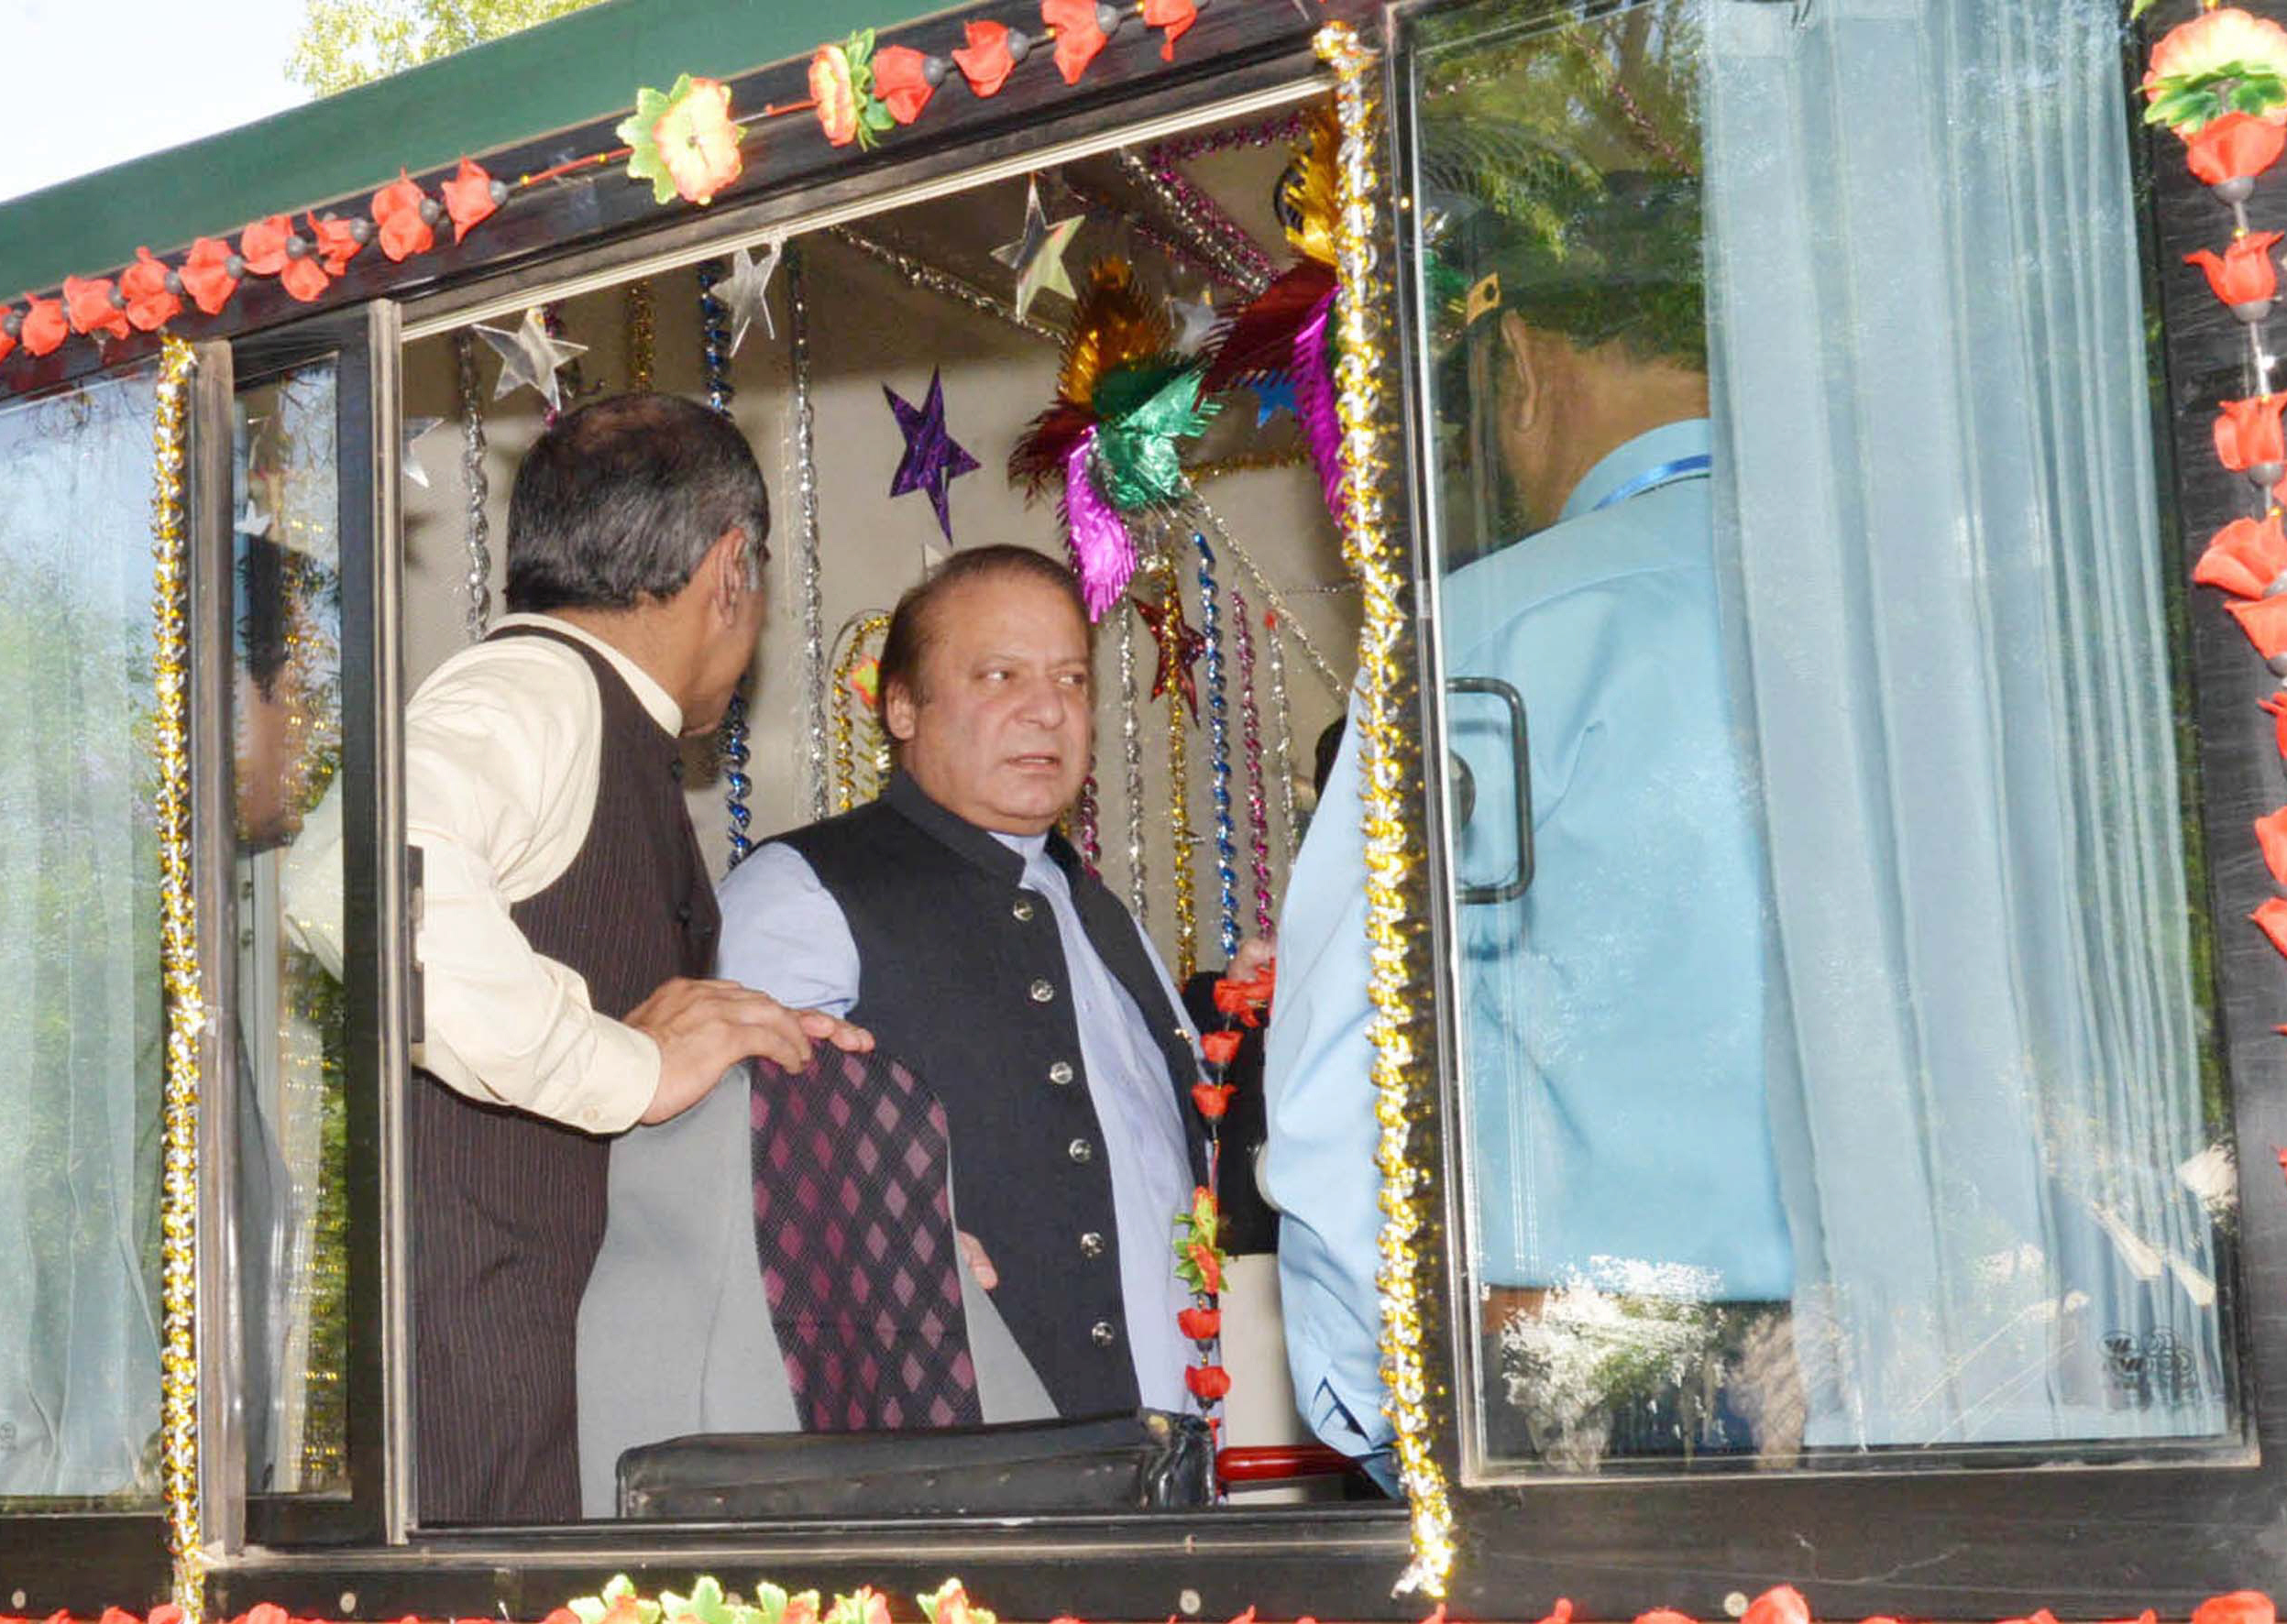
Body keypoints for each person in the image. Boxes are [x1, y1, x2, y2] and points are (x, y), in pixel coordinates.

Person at [1268, 146, 1801, 1478]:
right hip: (1928, 1379)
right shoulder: (1905, 600)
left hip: (1597, 1398)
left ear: (1518, 368)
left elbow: (1354, 1077)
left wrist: (1396, 1420)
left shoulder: (1491, 634)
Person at [402, 391, 866, 1524]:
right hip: (497, 1420)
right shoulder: (533, 689)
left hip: (572, 1402)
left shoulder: (592, 714)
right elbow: (368, 883)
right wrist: (622, 1066)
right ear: (729, 573)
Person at [714, 545, 1220, 1420]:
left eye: (1068, 680)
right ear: (902, 706)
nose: (1045, 711)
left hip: (1168, 1455)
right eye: (999, 675)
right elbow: (766, 1186)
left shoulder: (1096, 908)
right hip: (959, 1468)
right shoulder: (804, 889)